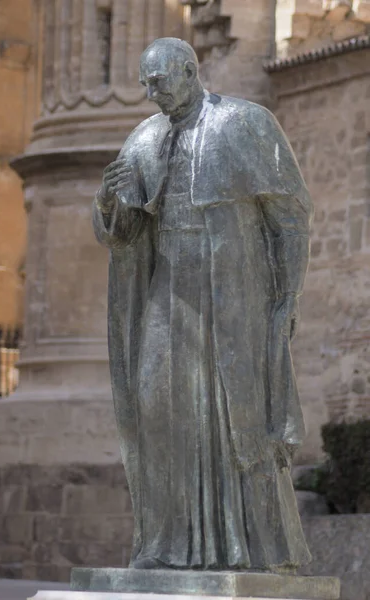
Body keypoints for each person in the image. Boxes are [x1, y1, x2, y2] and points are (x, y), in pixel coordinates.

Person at [92, 37, 313, 571]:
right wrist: (108, 201)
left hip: (233, 292)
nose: (151, 95)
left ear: (189, 72)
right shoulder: (143, 138)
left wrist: (286, 298)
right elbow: (122, 235)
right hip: (165, 292)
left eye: (160, 82)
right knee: (160, 412)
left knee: (236, 417)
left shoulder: (245, 122)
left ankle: (252, 550)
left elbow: (289, 216)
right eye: (146, 85)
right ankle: (166, 546)